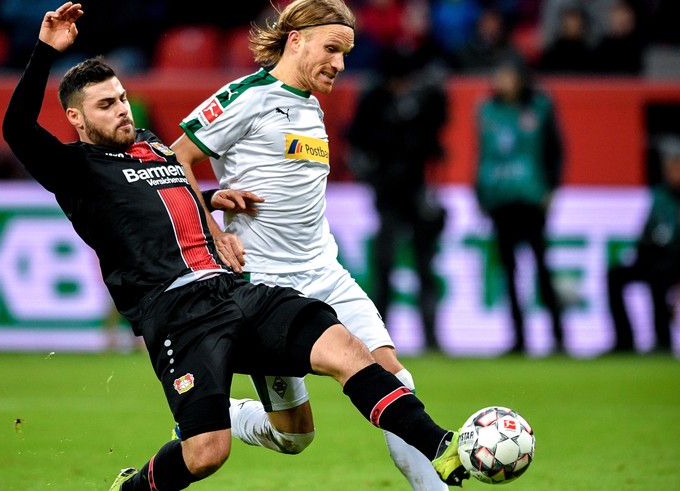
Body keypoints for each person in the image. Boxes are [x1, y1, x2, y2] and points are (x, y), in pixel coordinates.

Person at [1, 3, 470, 490]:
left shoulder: (147, 147)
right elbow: (16, 129)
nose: (121, 109)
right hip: (177, 313)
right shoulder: (74, 170)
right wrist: (44, 50)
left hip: (232, 291)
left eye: (121, 98)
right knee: (207, 453)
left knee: (348, 350)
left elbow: (155, 198)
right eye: (106, 105)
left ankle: (443, 446)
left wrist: (209, 198)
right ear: (76, 119)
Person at [169, 1, 450, 489]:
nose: (340, 64)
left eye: (346, 53)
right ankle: (228, 416)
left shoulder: (312, 106)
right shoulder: (247, 96)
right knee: (294, 437)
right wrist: (213, 230)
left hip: (326, 272)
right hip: (268, 289)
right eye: (332, 49)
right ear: (296, 40)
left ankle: (438, 480)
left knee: (394, 379)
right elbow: (178, 159)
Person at [346, 47, 448, 354]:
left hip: (414, 195)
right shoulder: (375, 101)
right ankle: (380, 341)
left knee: (423, 268)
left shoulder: (423, 100)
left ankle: (430, 338)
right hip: (390, 195)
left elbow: (437, 134)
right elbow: (357, 140)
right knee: (386, 267)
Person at [473, 54, 566, 355]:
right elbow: (482, 155)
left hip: (531, 200)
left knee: (541, 268)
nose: (502, 82)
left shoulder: (540, 106)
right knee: (509, 273)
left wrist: (551, 189)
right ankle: (519, 339)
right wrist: (480, 193)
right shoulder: (487, 111)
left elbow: (556, 150)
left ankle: (558, 337)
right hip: (500, 201)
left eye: (508, 75)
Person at [606, 135, 680, 354]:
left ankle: (663, 342)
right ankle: (624, 341)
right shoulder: (659, 195)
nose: (675, 173)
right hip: (658, 258)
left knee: (658, 278)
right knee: (615, 275)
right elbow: (647, 233)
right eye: (671, 168)